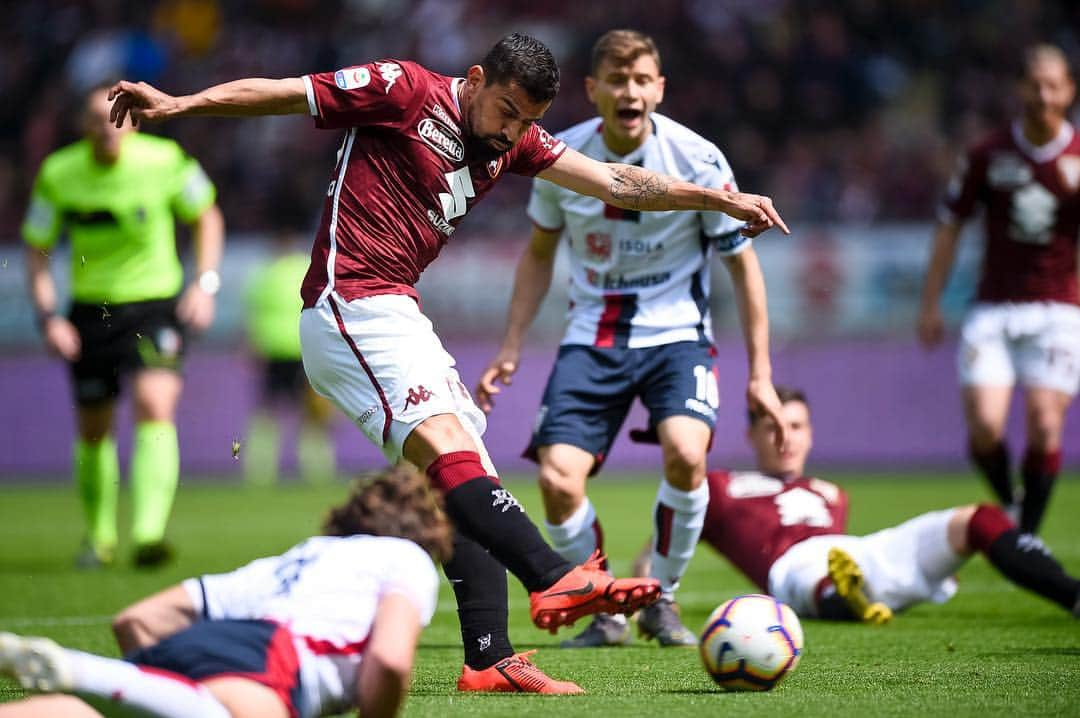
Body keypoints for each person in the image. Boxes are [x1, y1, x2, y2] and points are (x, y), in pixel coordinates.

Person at [107, 32, 788, 692]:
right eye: (507, 110)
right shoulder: (403, 91)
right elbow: (284, 94)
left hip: (397, 309)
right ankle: (555, 574)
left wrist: (720, 199)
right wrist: (180, 105)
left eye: (530, 120)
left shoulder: (515, 142)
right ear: (474, 80)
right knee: (452, 451)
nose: (512, 129)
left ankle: (488, 657)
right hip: (347, 303)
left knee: (466, 473)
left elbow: (616, 180)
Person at [475, 30, 784, 649]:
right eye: (617, 80)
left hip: (677, 337)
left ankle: (661, 597)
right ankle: (605, 603)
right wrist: (510, 345)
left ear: (659, 89)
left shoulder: (697, 159)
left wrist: (760, 374)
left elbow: (742, 267)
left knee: (687, 453)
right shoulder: (560, 160)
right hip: (592, 337)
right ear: (594, 91)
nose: (630, 91)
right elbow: (538, 255)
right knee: (559, 480)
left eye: (642, 80)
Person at [0, 465, 452, 718]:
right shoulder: (406, 558)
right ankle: (85, 672)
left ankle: (96, 680)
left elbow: (136, 621)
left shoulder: (305, 555)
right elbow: (391, 659)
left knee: (82, 712)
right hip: (274, 660)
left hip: (201, 643)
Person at [635, 387, 1080, 623]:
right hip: (792, 571)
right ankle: (844, 597)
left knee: (978, 520)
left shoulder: (832, 492)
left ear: (810, 433)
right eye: (772, 427)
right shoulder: (719, 484)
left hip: (862, 552)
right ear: (751, 436)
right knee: (820, 575)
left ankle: (1072, 596)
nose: (785, 437)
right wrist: (640, 599)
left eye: (796, 425)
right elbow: (661, 545)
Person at [22, 81, 225, 569]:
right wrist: (49, 316)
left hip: (154, 305)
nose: (108, 124)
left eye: (117, 114)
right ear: (82, 125)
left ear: (134, 120)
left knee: (156, 404)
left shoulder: (166, 161)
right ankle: (99, 537)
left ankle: (149, 532)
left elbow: (207, 216)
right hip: (91, 313)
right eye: (97, 116)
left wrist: (205, 283)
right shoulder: (58, 173)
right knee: (94, 428)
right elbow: (37, 247)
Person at [918, 43, 1080, 535]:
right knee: (986, 428)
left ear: (1069, 91)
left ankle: (1025, 535)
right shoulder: (987, 154)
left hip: (1058, 307)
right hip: (993, 307)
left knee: (1045, 423)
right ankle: (1013, 501)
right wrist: (931, 303)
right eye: (1035, 84)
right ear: (1020, 89)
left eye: (1053, 85)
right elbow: (950, 226)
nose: (1043, 94)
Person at [243, 231, 337, 486]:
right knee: (313, 415)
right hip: (302, 350)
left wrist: (254, 345)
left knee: (268, 413)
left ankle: (259, 471)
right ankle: (317, 470)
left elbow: (253, 313)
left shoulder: (265, 273)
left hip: (273, 348)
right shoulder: (305, 268)